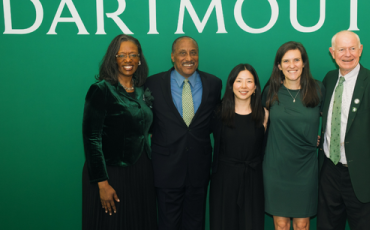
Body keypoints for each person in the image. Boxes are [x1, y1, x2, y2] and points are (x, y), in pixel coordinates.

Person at [317, 30, 370, 230]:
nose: (347, 54)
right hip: (329, 171)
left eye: (352, 48)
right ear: (332, 52)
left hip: (363, 177)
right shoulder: (329, 79)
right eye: (341, 49)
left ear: (361, 50)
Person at [145, 36, 222, 230]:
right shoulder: (152, 84)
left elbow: (216, 123)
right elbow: (147, 121)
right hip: (166, 170)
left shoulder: (214, 84)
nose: (189, 57)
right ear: (172, 57)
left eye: (193, 52)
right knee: (168, 225)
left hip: (199, 170)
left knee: (195, 224)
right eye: (182, 53)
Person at [82, 34, 157, 230]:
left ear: (139, 59)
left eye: (133, 55)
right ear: (113, 58)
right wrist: (102, 183)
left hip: (141, 172)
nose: (128, 60)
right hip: (111, 172)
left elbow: (147, 129)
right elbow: (92, 139)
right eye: (122, 55)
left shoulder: (143, 91)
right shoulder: (101, 90)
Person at [262, 41, 324, 230]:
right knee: (280, 225)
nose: (292, 65)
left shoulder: (319, 89)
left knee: (303, 225)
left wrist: (321, 139)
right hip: (276, 167)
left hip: (305, 168)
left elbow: (335, 120)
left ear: (304, 63)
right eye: (286, 61)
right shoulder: (271, 91)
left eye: (296, 60)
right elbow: (258, 126)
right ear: (279, 66)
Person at [210, 64, 269, 230]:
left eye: (249, 81)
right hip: (224, 181)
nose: (244, 86)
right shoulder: (218, 113)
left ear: (255, 87)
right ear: (231, 85)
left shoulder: (265, 114)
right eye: (239, 81)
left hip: (253, 180)